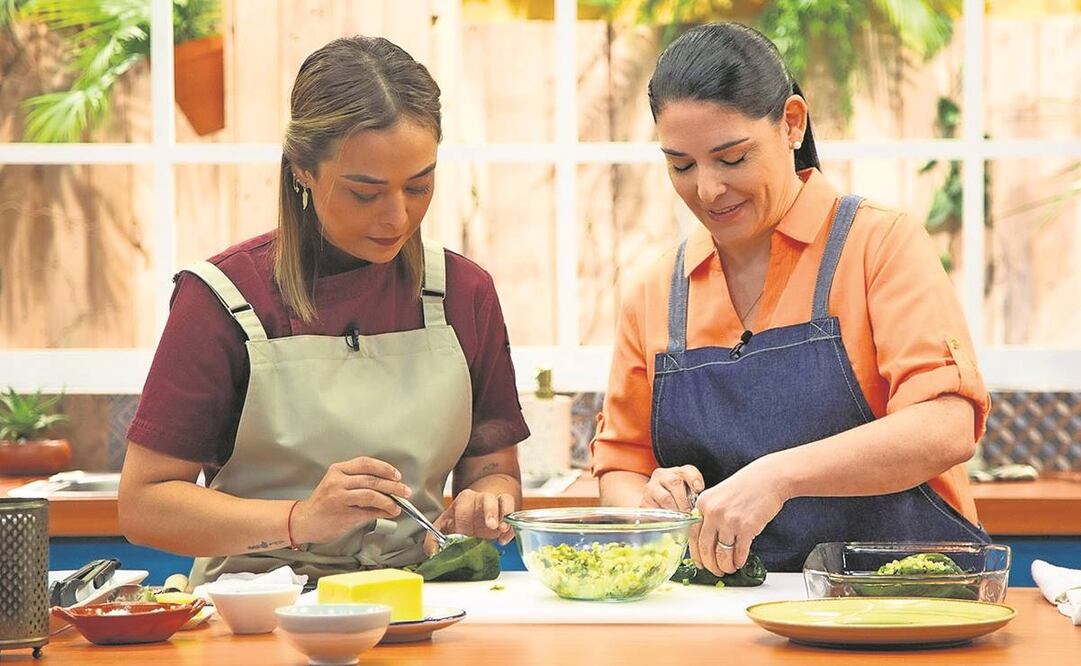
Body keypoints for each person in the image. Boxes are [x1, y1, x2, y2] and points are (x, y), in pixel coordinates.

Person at [118, 36, 528, 585]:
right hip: (257, 609)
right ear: (302, 170)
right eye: (365, 192)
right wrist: (300, 520)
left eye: (419, 186)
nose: (397, 217)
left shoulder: (464, 293)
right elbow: (144, 505)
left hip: (418, 601)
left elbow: (493, 470)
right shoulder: (222, 298)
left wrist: (488, 500)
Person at [591, 23, 991, 575]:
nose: (706, 189)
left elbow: (946, 424)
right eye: (681, 165)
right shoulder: (655, 292)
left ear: (792, 123)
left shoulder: (879, 244)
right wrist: (651, 506)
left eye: (732, 158)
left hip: (901, 599)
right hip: (726, 608)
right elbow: (620, 464)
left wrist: (778, 477)